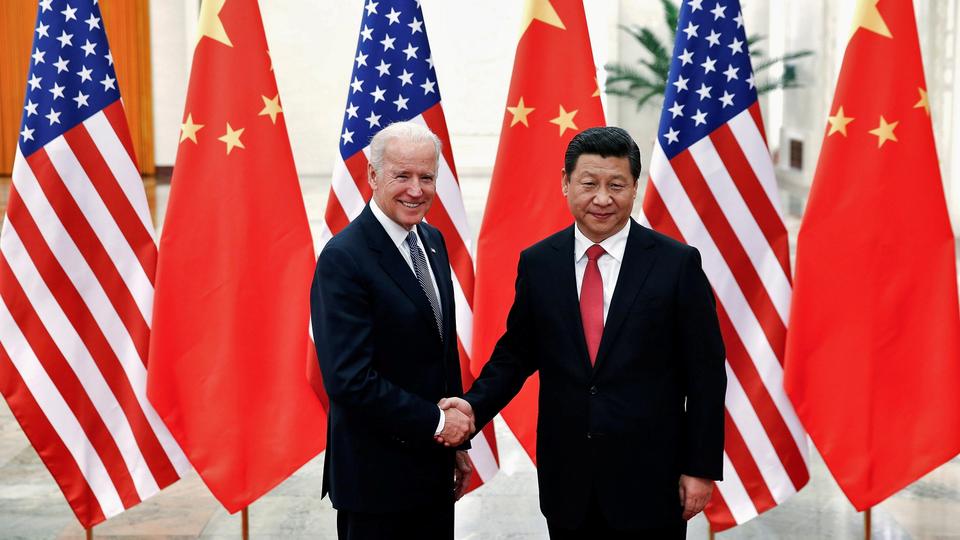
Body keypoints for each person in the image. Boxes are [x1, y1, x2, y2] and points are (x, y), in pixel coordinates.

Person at [440, 127, 726, 538]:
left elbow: (706, 375)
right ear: (565, 183)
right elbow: (516, 355)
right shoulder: (539, 263)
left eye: (617, 185)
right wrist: (472, 408)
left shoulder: (676, 264)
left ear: (634, 187)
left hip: (651, 480)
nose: (603, 199)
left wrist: (699, 468)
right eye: (589, 184)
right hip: (568, 480)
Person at [311, 121, 474, 540]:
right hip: (375, 483)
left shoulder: (432, 241)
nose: (416, 190)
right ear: (372, 175)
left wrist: (455, 445)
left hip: (432, 472)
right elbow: (349, 380)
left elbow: (440, 350)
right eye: (402, 176)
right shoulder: (344, 258)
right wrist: (440, 423)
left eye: (427, 177)